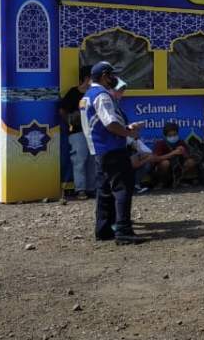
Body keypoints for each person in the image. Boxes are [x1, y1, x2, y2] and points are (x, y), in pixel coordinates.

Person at [80, 62, 145, 244]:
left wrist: (125, 128)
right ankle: (123, 231)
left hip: (99, 150)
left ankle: (103, 229)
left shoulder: (87, 96)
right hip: (112, 149)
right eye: (110, 76)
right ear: (103, 76)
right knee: (123, 188)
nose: (113, 79)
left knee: (105, 191)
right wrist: (128, 132)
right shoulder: (102, 96)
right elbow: (110, 123)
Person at [59, 66, 93, 199]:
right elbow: (62, 110)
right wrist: (70, 122)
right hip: (78, 132)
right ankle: (80, 189)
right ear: (86, 78)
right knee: (79, 160)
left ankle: (92, 188)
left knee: (92, 160)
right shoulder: (73, 93)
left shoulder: (95, 93)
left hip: (92, 131)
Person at [151, 122, 198, 188]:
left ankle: (181, 181)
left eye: (175, 134)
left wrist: (184, 152)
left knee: (191, 162)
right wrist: (172, 153)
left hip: (178, 168)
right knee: (165, 163)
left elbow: (188, 157)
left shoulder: (181, 142)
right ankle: (162, 182)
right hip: (165, 170)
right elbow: (155, 158)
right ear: (165, 136)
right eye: (170, 135)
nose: (173, 137)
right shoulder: (160, 144)